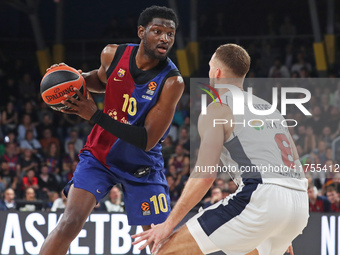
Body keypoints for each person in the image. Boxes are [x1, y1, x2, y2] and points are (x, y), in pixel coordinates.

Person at [133, 44, 309, 255]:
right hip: (298, 203)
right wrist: (282, 223)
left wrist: (168, 225)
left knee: (164, 251)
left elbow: (205, 176)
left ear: (216, 72)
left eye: (209, 67)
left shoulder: (218, 109)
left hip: (262, 200)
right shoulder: (271, 109)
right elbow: (296, 166)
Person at [39, 5, 183, 255]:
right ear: (141, 31)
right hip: (99, 155)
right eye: (158, 31)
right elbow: (101, 79)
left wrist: (94, 115)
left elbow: (146, 140)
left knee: (159, 240)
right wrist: (73, 80)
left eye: (170, 34)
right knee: (69, 222)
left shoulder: (172, 82)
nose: (164, 38)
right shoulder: (112, 54)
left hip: (142, 165)